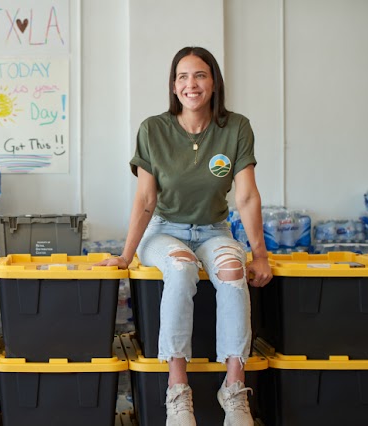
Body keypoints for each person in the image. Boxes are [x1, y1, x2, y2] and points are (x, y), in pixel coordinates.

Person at [97, 46, 272, 426]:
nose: (191, 84)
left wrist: (259, 255)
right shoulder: (153, 129)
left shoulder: (236, 127)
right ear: (173, 86)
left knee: (232, 270)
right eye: (182, 77)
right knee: (180, 268)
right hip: (165, 231)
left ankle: (234, 390)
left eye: (200, 75)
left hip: (214, 230)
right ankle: (178, 390)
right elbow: (145, 199)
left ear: (214, 82)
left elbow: (246, 195)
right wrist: (126, 255)